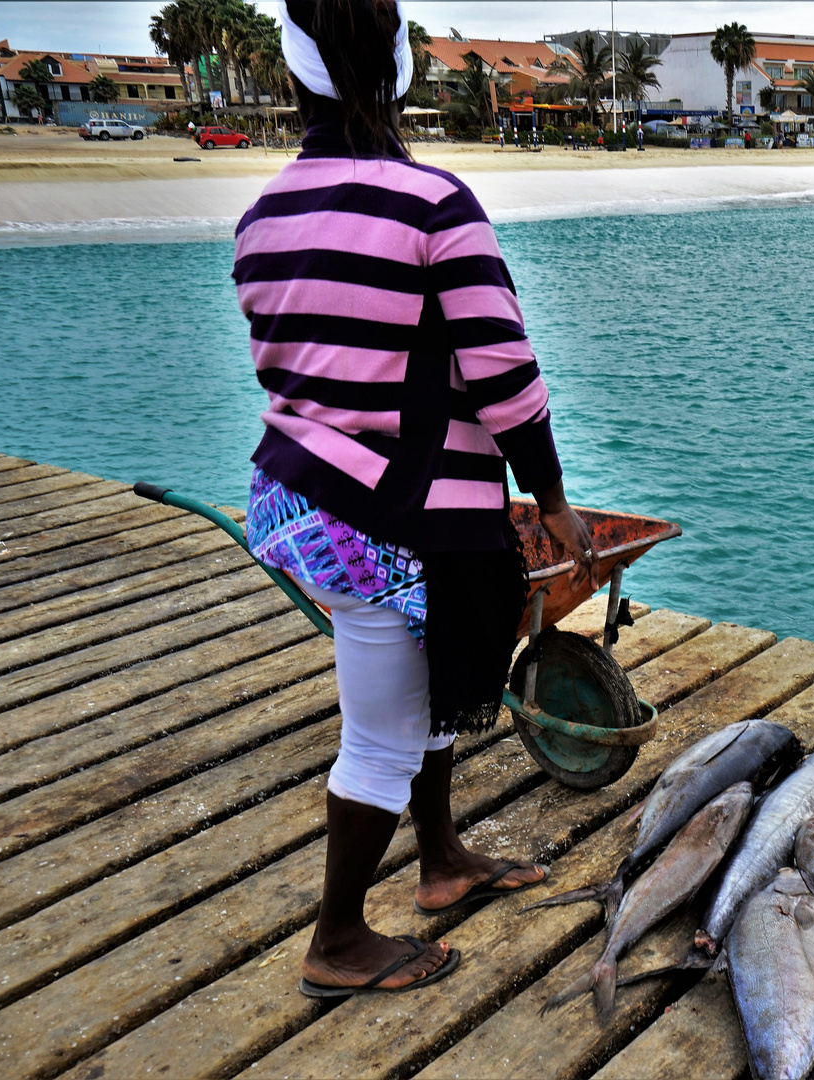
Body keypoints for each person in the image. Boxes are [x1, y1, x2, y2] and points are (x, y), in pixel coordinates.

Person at [246, 0, 597, 998]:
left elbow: (295, 362)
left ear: (292, 76)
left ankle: (440, 862)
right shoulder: (431, 204)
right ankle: (338, 940)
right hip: (393, 521)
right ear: (401, 71)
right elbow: (503, 373)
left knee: (429, 676)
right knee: (383, 735)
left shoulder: (266, 212)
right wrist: (552, 494)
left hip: (296, 498)